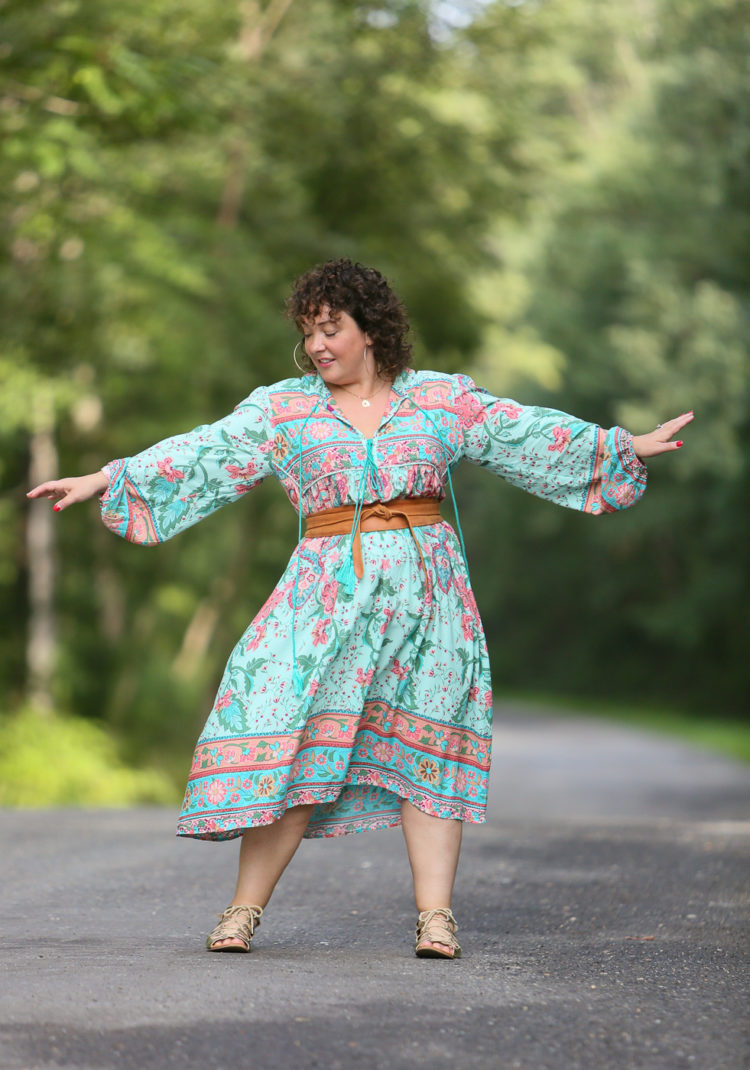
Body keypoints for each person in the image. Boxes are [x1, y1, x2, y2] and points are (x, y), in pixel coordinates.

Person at [27, 258, 693, 959]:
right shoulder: (282, 409)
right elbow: (204, 451)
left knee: (430, 749)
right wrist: (109, 476)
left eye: (331, 328)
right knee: (295, 741)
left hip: (430, 601)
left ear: (370, 329)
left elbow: (524, 433)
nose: (317, 345)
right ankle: (241, 912)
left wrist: (621, 447)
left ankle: (436, 919)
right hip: (322, 601)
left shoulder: (441, 399)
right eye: (308, 332)